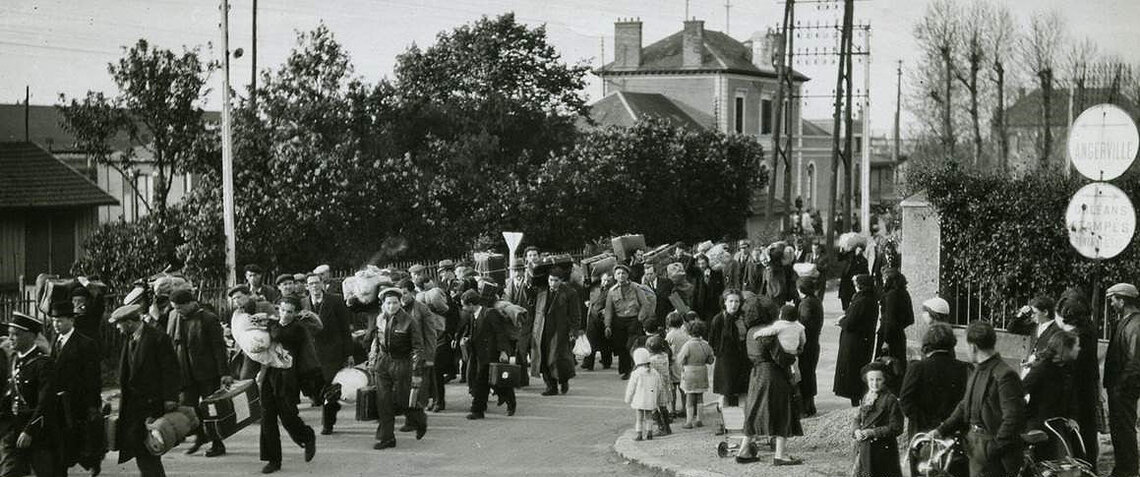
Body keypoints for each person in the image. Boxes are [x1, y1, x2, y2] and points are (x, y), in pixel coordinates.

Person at [933, 321, 1025, 477]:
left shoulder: (1004, 374)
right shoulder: (977, 370)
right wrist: (941, 430)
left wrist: (993, 449)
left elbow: (1013, 418)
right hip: (975, 445)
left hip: (991, 452)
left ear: (973, 347)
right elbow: (965, 405)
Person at [108, 304, 180, 477]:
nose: (117, 327)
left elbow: (171, 369)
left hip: (151, 404)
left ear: (130, 322)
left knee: (148, 449)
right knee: (141, 448)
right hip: (133, 406)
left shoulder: (157, 338)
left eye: (119, 323)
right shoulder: (129, 337)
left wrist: (170, 397)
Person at [166, 289, 232, 458]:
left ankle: (217, 443)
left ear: (190, 303)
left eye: (180, 308)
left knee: (211, 409)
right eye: (174, 308)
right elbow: (170, 343)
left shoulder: (208, 318)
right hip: (184, 371)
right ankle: (200, 436)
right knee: (188, 407)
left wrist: (224, 373)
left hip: (207, 372)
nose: (177, 311)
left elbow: (219, 348)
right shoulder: (174, 316)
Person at [737, 304, 803, 466]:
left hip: (757, 374)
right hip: (773, 374)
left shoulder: (751, 332)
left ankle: (743, 451)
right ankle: (780, 455)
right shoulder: (770, 333)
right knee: (782, 411)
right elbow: (780, 357)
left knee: (755, 411)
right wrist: (794, 356)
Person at [258, 297, 318, 473]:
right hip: (270, 375)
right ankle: (273, 460)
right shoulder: (274, 324)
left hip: (288, 378)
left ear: (296, 313)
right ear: (278, 309)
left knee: (288, 417)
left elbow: (278, 335)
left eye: (290, 312)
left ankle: (307, 436)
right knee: (267, 418)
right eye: (283, 310)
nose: (285, 315)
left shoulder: (298, 329)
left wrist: (269, 324)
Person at [366, 288, 426, 449]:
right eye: (388, 303)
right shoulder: (379, 319)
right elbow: (376, 342)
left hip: (402, 363)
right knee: (383, 401)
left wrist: (416, 370)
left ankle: (419, 419)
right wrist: (373, 360)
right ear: (383, 304)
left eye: (395, 303)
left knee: (403, 399)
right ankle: (387, 438)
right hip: (383, 363)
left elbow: (417, 347)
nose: (391, 306)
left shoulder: (409, 321)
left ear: (400, 303)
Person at [47, 302, 102, 475]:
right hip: (58, 402)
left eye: (60, 321)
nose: (56, 324)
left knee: (79, 438)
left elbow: (93, 378)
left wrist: (93, 404)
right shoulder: (55, 340)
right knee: (61, 444)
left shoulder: (85, 344)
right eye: (54, 321)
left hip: (78, 401)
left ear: (72, 321)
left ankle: (93, 461)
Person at [0, 312, 56, 477]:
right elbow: (10, 395)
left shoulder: (43, 364)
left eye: (16, 334)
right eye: (9, 334)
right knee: (8, 472)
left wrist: (30, 430)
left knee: (46, 472)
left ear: (31, 336)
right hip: (14, 429)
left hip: (38, 432)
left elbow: (46, 401)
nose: (10, 339)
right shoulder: (16, 360)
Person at [899, 322, 970, 439]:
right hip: (953, 430)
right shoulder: (963, 368)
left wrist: (927, 421)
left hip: (922, 430)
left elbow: (906, 401)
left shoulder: (917, 367)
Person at [1056, 287, 1100, 471]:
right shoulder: (1089, 328)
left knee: (1078, 432)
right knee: (1088, 431)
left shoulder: (1077, 335)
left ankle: (1084, 467)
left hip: (1076, 388)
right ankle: (1090, 467)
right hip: (1088, 387)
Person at [303, 273, 353, 435]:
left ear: (323, 284)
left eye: (317, 283)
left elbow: (345, 328)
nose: (315, 287)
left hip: (333, 352)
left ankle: (327, 424)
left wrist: (348, 353)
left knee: (329, 387)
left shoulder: (335, 301)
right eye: (311, 284)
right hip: (312, 354)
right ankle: (332, 404)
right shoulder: (303, 303)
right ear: (306, 287)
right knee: (317, 389)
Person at [458, 290, 515, 419]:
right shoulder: (473, 316)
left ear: (471, 304)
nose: (463, 308)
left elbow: (500, 333)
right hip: (479, 355)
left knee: (496, 382)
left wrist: (503, 351)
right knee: (481, 383)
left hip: (491, 354)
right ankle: (478, 410)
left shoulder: (489, 314)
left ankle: (510, 402)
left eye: (464, 305)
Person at [1104, 282, 1140, 477]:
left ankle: (1128, 470)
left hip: (1124, 389)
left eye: (1113, 300)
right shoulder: (1125, 321)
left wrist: (1121, 387)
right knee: (1118, 430)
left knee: (1124, 430)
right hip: (1118, 388)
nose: (1111, 304)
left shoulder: (1135, 324)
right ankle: (1123, 468)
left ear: (1122, 300)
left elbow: (1134, 362)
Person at [531, 266, 580, 396]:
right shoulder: (542, 292)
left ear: (561, 280)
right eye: (551, 280)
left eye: (556, 280)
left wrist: (573, 331)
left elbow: (575, 314)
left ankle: (563, 380)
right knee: (544, 357)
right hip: (542, 329)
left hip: (560, 330)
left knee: (558, 358)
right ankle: (550, 386)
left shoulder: (570, 293)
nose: (553, 283)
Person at [851, 362, 904, 477]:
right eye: (871, 380)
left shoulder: (890, 399)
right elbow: (857, 418)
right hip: (865, 448)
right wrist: (856, 431)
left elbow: (897, 427)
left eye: (878, 379)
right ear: (866, 380)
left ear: (885, 379)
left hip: (883, 450)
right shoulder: (866, 397)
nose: (874, 383)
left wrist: (873, 432)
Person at [833, 274, 878, 407]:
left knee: (852, 370)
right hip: (863, 339)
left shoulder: (861, 300)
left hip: (855, 341)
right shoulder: (869, 298)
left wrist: (841, 322)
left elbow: (851, 321)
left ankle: (855, 400)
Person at [604, 264, 653, 380]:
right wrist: (607, 325)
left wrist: (640, 318)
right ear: (615, 277)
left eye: (623, 273)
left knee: (632, 345)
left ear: (627, 275)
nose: (621, 276)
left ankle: (634, 368)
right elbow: (608, 310)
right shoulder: (612, 291)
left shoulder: (636, 287)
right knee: (621, 346)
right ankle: (625, 370)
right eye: (618, 274)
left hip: (634, 320)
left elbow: (645, 304)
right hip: (619, 321)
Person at [1023, 331, 1079, 432]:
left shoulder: (1069, 369)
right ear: (1065, 348)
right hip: (1040, 426)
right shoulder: (1042, 369)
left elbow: (1072, 398)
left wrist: (1072, 418)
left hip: (1060, 425)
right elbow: (1020, 391)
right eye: (1076, 346)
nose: (1079, 349)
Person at [709, 290, 750, 421]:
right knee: (725, 393)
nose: (734, 304)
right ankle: (726, 423)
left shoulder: (744, 318)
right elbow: (712, 341)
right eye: (731, 301)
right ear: (725, 302)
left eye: (737, 301)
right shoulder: (718, 319)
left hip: (742, 360)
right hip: (725, 362)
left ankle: (744, 424)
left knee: (743, 393)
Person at [876, 269, 913, 393]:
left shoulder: (891, 295)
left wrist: (886, 340)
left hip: (888, 335)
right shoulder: (904, 293)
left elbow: (889, 320)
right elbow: (910, 319)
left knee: (886, 366)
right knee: (898, 366)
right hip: (899, 335)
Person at [676, 320, 713, 429]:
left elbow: (680, 359)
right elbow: (711, 360)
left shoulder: (687, 345)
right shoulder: (705, 344)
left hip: (689, 371)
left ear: (689, 332)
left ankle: (689, 421)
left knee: (690, 397)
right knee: (700, 397)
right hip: (702, 370)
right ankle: (699, 420)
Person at [1012, 296, 1061, 375]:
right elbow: (1012, 329)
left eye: (1035, 313)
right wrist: (1021, 314)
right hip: (1028, 368)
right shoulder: (1034, 326)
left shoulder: (1056, 330)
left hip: (1044, 372)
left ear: (1045, 312)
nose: (1032, 316)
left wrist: (1036, 361)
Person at [796, 277, 823, 417]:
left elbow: (804, 324)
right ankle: (810, 405)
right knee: (810, 374)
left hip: (807, 343)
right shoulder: (816, 300)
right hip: (814, 342)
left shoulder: (805, 303)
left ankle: (806, 408)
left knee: (805, 375)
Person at [625, 348, 664, 442]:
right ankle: (649, 433)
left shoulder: (636, 373)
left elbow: (631, 388)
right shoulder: (654, 372)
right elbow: (659, 386)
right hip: (650, 399)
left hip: (639, 399)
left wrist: (628, 398)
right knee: (649, 417)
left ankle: (639, 434)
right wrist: (657, 396)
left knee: (639, 418)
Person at [645, 336, 674, 436]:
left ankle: (661, 427)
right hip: (665, 384)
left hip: (655, 385)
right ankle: (667, 427)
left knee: (653, 406)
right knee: (663, 406)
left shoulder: (651, 360)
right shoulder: (665, 356)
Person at [663, 312, 689, 417]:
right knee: (683, 389)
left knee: (672, 389)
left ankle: (672, 410)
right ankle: (684, 408)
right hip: (683, 363)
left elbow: (666, 349)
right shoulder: (685, 334)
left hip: (673, 363)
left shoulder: (669, 335)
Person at [641, 264, 673, 330]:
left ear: (655, 273)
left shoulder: (667, 282)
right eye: (647, 274)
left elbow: (673, 298)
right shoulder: (643, 287)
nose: (649, 276)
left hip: (666, 315)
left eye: (651, 274)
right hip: (653, 319)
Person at [838, 246, 868, 311]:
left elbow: (865, 270)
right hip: (846, 280)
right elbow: (840, 258)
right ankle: (846, 311)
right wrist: (841, 251)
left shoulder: (862, 260)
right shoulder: (848, 256)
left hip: (855, 281)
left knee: (854, 299)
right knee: (845, 298)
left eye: (860, 250)